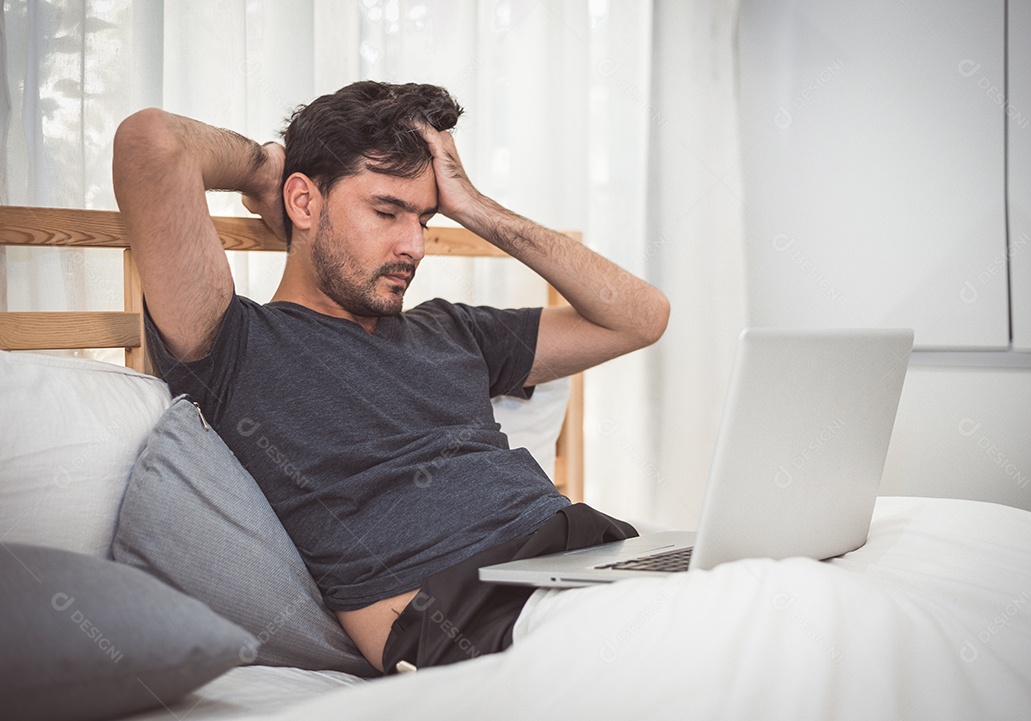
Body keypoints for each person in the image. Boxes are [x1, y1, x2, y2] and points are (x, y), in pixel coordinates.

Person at [112, 81, 669, 674]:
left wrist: (474, 206)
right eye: (386, 211)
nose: (415, 246)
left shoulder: (453, 330)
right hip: (480, 617)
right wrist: (262, 167)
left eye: (425, 218)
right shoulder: (236, 344)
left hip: (601, 555)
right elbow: (152, 142)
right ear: (303, 203)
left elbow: (641, 317)